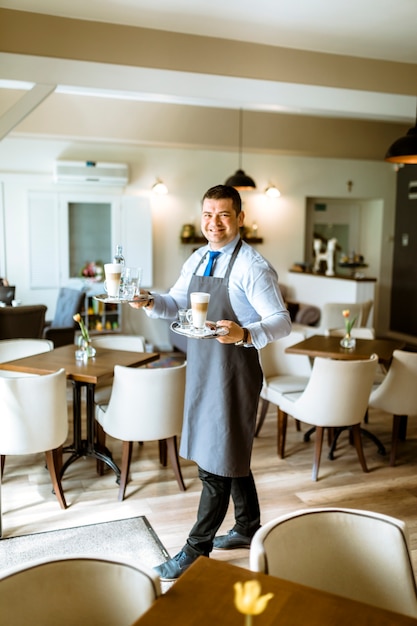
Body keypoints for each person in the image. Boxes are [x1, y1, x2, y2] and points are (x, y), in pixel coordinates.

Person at [131, 184, 291, 581]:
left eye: (223, 215)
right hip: (203, 368)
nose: (213, 223)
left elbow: (282, 321)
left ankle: (195, 549)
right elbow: (176, 303)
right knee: (228, 448)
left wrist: (244, 333)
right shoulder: (199, 258)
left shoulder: (253, 266)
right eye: (207, 214)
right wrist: (150, 301)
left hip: (234, 372)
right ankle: (247, 526)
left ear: (239, 218)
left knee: (216, 464)